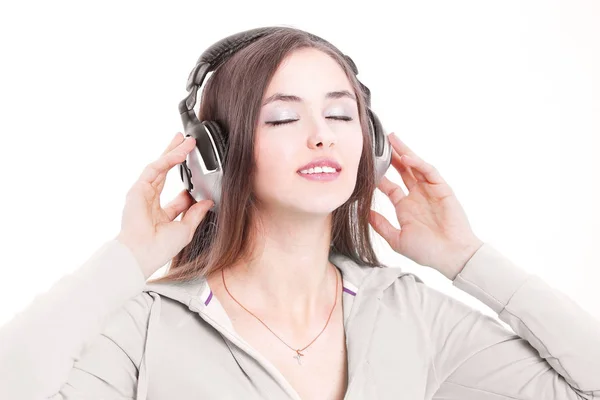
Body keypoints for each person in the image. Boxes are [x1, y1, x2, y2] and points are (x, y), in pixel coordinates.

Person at [0, 26, 598, 400]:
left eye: (341, 116)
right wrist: (126, 260)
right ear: (217, 154)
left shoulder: (410, 312)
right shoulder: (147, 325)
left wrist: (468, 261)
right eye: (283, 117)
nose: (323, 137)